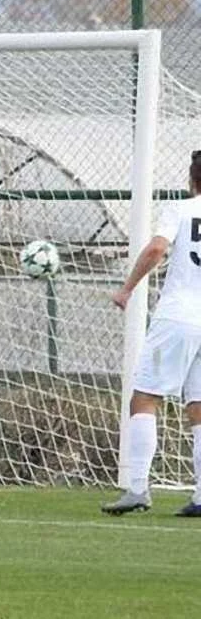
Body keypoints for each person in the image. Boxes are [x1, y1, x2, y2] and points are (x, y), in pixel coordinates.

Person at [106, 151, 201, 518]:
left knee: (144, 398)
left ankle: (137, 488)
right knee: (199, 406)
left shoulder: (181, 209)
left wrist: (127, 288)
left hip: (179, 318)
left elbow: (158, 248)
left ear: (191, 180)